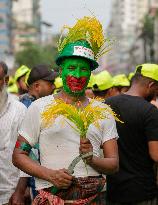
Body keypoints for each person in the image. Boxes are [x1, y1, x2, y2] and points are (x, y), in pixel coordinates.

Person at [13, 16, 119, 205]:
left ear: (90, 73)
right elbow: (19, 155)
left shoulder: (102, 111)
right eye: (71, 68)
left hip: (94, 199)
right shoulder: (40, 107)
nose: (77, 75)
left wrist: (92, 159)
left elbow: (113, 164)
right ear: (61, 71)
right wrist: (49, 174)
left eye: (83, 69)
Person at [105, 63, 158, 205]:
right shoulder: (150, 111)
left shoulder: (107, 105)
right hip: (142, 192)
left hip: (113, 190)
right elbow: (156, 154)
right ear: (151, 85)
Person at [12, 64, 58, 202]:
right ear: (37, 86)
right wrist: (21, 190)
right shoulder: (26, 109)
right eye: (50, 83)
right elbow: (27, 152)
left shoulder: (42, 106)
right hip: (35, 183)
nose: (54, 87)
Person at [0, 61, 26, 205]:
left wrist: (20, 191)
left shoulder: (19, 110)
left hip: (9, 193)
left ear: (6, 80)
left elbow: (28, 153)